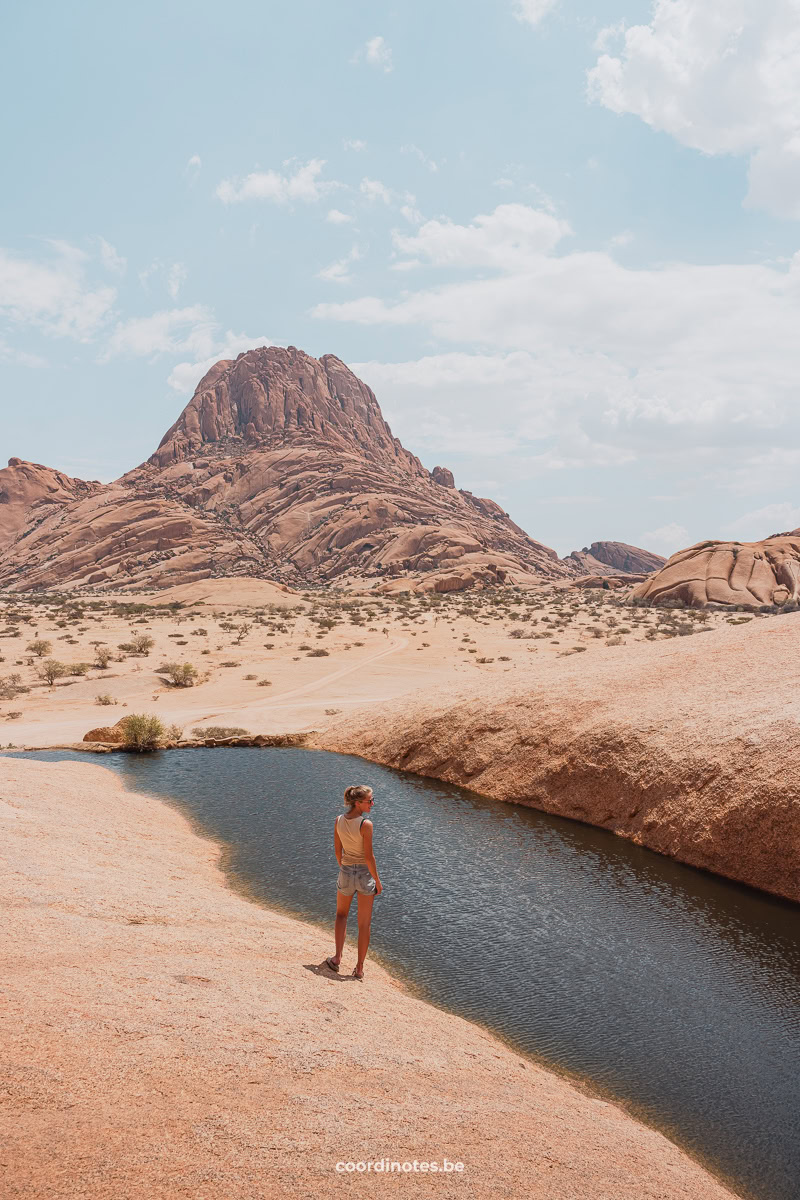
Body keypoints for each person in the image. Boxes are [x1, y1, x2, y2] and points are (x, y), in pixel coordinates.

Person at [325, 784, 382, 980]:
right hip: (365, 875)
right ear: (358, 803)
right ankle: (359, 969)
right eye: (369, 801)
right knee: (364, 924)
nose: (372, 804)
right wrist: (377, 881)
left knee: (341, 915)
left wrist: (344, 868)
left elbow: (337, 852)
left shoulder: (338, 820)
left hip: (346, 872)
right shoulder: (366, 824)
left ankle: (337, 958)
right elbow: (369, 857)